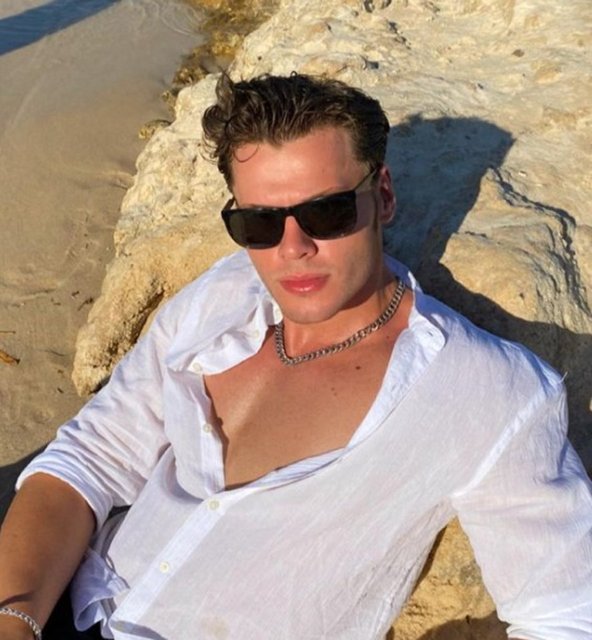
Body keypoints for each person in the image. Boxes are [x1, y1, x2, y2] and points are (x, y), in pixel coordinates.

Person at [1, 72, 591, 640]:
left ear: (383, 195)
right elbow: (87, 461)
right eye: (258, 223)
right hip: (57, 605)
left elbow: (566, 616)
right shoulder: (220, 297)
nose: (293, 248)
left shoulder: (486, 389)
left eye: (326, 212)